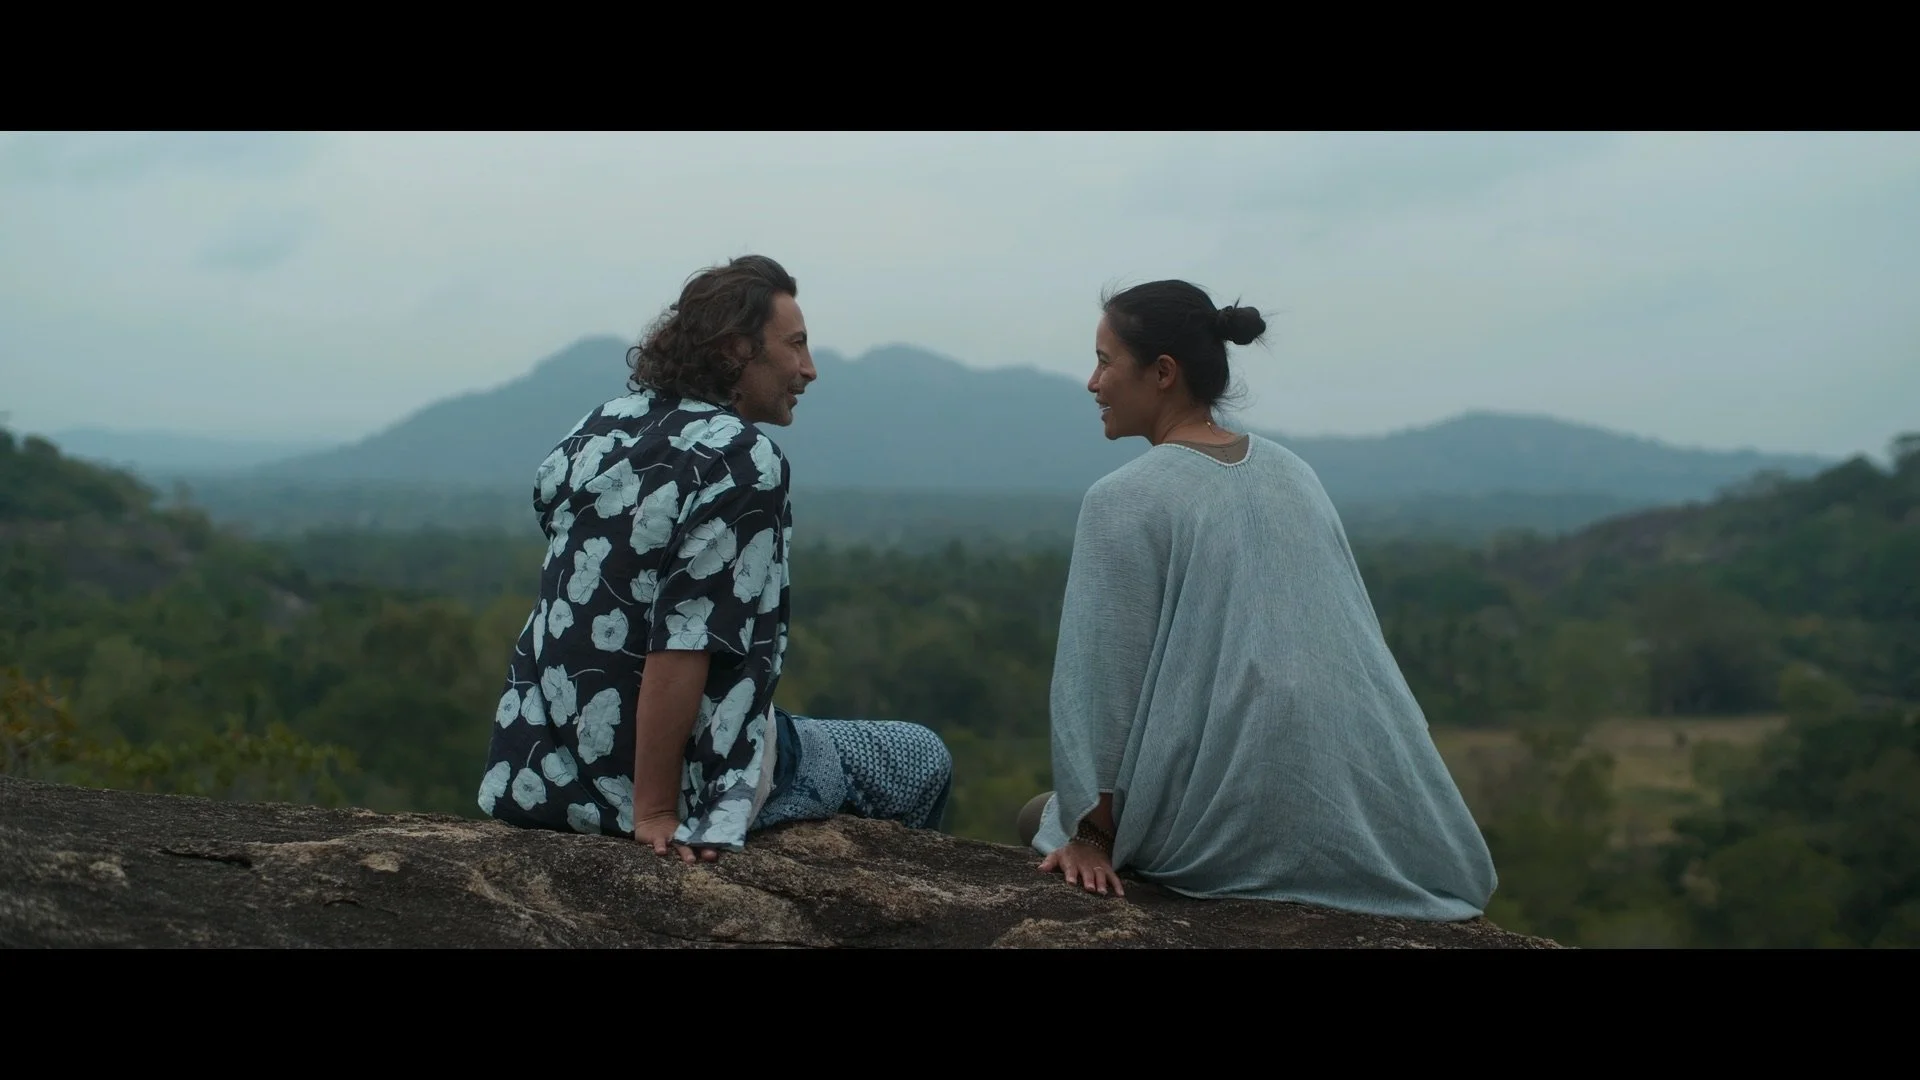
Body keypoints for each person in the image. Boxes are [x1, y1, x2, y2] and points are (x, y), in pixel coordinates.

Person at [1020, 279, 1498, 921]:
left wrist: (1091, 835)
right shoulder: (1294, 473)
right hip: (1342, 815)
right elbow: (1358, 654)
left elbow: (1103, 685)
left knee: (1037, 815)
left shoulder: (1121, 499)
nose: (1092, 382)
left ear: (1162, 373)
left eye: (1105, 362)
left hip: (1212, 832)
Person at [478, 255, 953, 862]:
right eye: (796, 345)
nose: (809, 369)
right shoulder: (741, 457)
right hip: (662, 784)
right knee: (920, 756)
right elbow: (684, 641)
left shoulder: (598, 428)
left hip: (543, 770)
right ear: (736, 349)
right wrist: (655, 811)